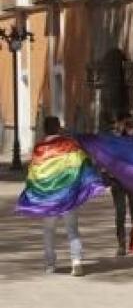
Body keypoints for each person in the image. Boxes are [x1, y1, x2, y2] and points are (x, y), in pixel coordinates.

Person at [39, 116, 84, 276]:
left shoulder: (40, 148)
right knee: (72, 229)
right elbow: (79, 165)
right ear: (58, 128)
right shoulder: (69, 145)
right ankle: (76, 260)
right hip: (67, 194)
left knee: (49, 230)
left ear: (44, 129)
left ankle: (50, 265)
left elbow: (36, 173)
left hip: (49, 195)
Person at [108, 114, 133, 256]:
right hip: (118, 182)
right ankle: (121, 244)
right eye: (128, 127)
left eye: (132, 127)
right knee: (120, 213)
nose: (130, 130)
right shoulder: (116, 142)